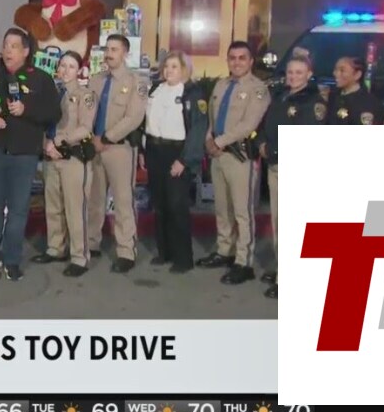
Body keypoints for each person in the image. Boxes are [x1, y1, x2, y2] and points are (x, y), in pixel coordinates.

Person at [0, 28, 61, 281]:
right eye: (5, 45)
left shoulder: (41, 79)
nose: (7, 50)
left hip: (24, 155)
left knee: (18, 210)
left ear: (26, 51)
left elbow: (54, 113)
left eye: (13, 46)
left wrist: (26, 109)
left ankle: (12, 260)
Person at [197, 40, 270, 285]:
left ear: (251, 61)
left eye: (242, 58)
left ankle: (243, 262)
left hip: (240, 157)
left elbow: (249, 124)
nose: (236, 62)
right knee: (223, 208)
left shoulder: (258, 89)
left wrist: (219, 141)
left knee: (242, 211)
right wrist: (209, 139)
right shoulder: (221, 84)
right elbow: (213, 117)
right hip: (218, 155)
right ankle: (224, 250)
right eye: (232, 58)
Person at [259, 54, 327, 299]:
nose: (293, 76)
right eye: (290, 72)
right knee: (279, 222)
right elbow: (266, 125)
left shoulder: (313, 102)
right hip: (275, 167)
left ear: (309, 74)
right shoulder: (281, 96)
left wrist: (273, 150)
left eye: (299, 72)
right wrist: (261, 143)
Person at [140, 51, 207, 274]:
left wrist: (184, 160)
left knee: (177, 205)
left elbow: (198, 130)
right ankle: (164, 252)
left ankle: (183, 258)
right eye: (166, 66)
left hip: (177, 153)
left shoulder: (192, 93)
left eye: (174, 66)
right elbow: (147, 122)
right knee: (160, 205)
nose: (169, 70)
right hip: (155, 150)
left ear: (184, 69)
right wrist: (143, 149)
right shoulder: (156, 89)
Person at [87, 34, 148, 273]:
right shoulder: (96, 80)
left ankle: (126, 251)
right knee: (94, 199)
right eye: (107, 49)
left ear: (125, 53)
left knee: (123, 201)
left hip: (119, 148)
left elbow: (134, 118)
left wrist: (106, 138)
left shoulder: (136, 82)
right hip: (95, 147)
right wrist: (91, 138)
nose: (109, 54)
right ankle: (92, 243)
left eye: (114, 49)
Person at [32, 50, 96, 277]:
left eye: (71, 66)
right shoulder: (52, 94)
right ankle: (55, 248)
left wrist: (59, 141)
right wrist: (46, 144)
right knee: (53, 206)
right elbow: (42, 123)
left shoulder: (85, 95)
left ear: (79, 70)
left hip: (72, 158)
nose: (65, 70)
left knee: (75, 209)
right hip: (51, 156)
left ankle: (79, 256)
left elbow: (85, 128)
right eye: (62, 65)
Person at [327, 56, 384, 125]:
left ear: (357, 75)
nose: (335, 73)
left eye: (342, 70)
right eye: (335, 69)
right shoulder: (332, 97)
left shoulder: (369, 104)